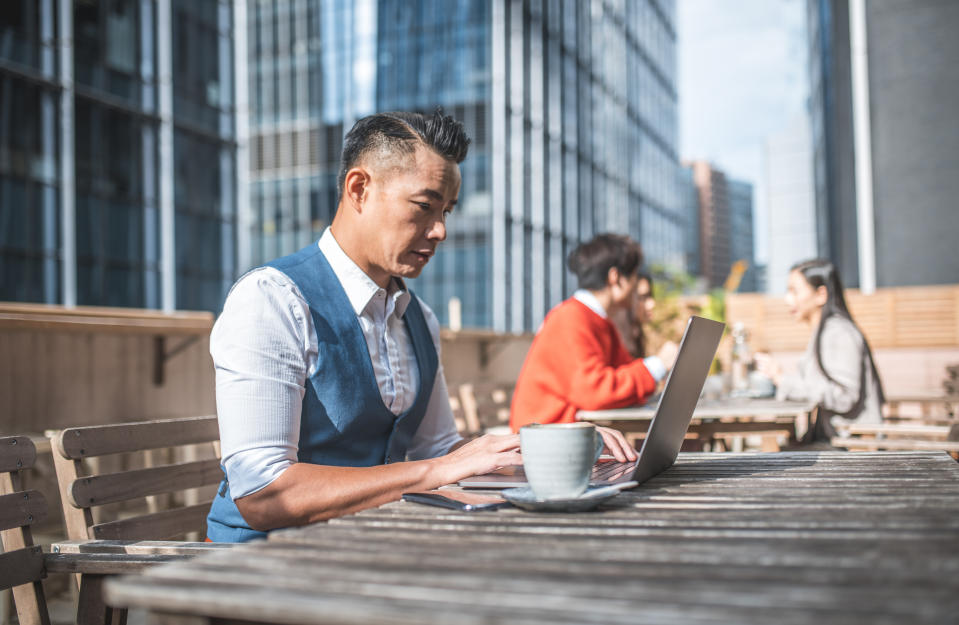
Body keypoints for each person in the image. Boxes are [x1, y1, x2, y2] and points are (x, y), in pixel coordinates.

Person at [206, 111, 635, 542]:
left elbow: (441, 450)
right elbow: (263, 494)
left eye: (446, 211)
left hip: (370, 547)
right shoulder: (272, 300)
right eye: (425, 206)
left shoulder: (418, 318)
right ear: (359, 189)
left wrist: (559, 446)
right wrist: (435, 470)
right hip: (264, 562)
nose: (442, 231)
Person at [510, 234, 679, 431]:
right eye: (633, 277)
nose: (635, 286)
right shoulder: (570, 318)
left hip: (569, 433)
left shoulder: (597, 320)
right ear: (615, 277)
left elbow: (623, 374)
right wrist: (658, 364)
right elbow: (594, 392)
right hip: (545, 440)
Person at [755, 258, 885, 443]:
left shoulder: (839, 333)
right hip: (836, 439)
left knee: (769, 459)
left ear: (821, 295)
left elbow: (844, 396)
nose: (787, 299)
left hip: (852, 445)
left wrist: (783, 380)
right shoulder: (825, 331)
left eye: (794, 291)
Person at [611, 271, 656, 359]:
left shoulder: (636, 335)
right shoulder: (618, 343)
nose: (652, 304)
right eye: (643, 297)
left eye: (650, 296)